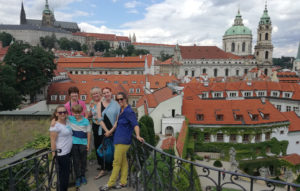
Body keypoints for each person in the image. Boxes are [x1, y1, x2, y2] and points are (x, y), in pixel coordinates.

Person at [100, 92, 144, 191]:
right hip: (118, 139)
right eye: (118, 99)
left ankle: (110, 184)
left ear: (126, 99)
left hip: (123, 141)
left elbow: (135, 124)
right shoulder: (121, 109)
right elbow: (116, 124)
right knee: (124, 162)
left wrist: (138, 135)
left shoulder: (129, 111)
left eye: (121, 99)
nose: (120, 101)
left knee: (116, 163)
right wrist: (110, 131)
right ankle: (123, 182)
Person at [94, 87, 120, 179]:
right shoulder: (99, 104)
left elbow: (118, 119)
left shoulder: (116, 104)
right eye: (104, 93)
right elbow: (99, 119)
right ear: (102, 95)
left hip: (114, 131)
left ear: (111, 92)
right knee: (103, 150)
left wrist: (111, 130)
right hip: (103, 131)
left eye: (107, 92)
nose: (106, 94)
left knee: (114, 151)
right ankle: (103, 169)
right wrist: (107, 131)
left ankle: (114, 171)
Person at [49, 105, 72, 191]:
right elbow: (53, 141)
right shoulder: (55, 126)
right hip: (61, 154)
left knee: (65, 176)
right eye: (60, 112)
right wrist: (54, 155)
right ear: (56, 114)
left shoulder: (67, 122)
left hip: (68, 152)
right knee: (63, 177)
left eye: (64, 112)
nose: (62, 114)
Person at [69, 104, 91, 188]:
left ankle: (82, 176)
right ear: (72, 112)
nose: (77, 115)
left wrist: (88, 144)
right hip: (74, 144)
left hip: (83, 143)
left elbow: (89, 133)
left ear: (81, 112)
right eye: (75, 113)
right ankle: (77, 177)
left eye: (78, 113)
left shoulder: (86, 121)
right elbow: (58, 117)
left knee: (83, 161)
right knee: (76, 161)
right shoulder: (70, 119)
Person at [89, 87, 103, 171]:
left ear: (100, 93)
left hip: (104, 126)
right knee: (97, 144)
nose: (95, 95)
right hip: (95, 125)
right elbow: (90, 113)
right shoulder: (91, 103)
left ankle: (107, 164)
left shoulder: (104, 102)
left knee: (104, 144)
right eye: (93, 94)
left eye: (97, 93)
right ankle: (100, 163)